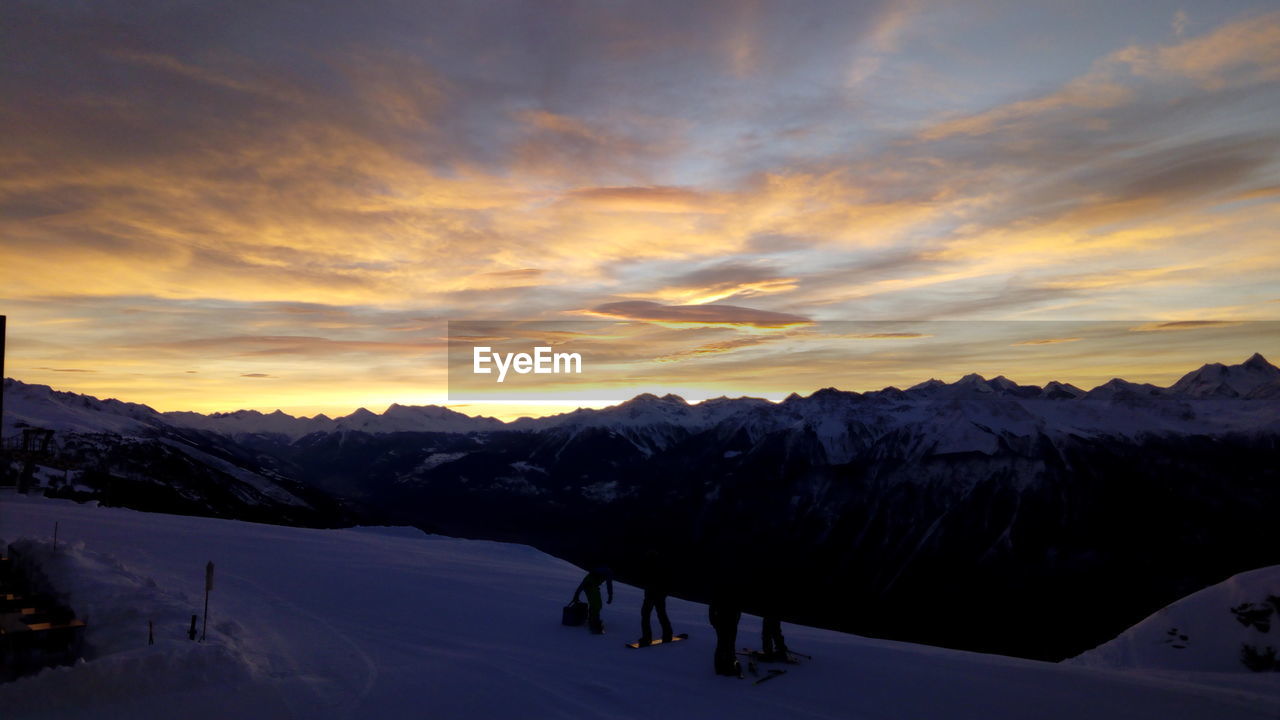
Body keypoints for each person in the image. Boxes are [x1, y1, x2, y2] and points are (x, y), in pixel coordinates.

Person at [637, 550, 674, 645]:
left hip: (652, 593)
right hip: (659, 593)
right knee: (661, 613)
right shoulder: (661, 563)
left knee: (646, 614)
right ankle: (667, 634)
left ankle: (647, 638)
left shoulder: (650, 564)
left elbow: (646, 578)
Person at [708, 576, 742, 676]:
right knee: (725, 644)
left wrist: (713, 620)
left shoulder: (721, 589)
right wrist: (713, 621)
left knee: (726, 644)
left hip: (726, 621)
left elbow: (712, 606)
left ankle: (725, 666)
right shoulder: (724, 590)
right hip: (724, 621)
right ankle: (723, 667)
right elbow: (713, 606)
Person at [572, 566, 614, 634]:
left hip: (592, 586)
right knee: (596, 604)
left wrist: (576, 594)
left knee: (596, 604)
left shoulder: (599, 572)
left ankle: (593, 619)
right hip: (591, 586)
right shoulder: (608, 572)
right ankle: (594, 621)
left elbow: (583, 583)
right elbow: (609, 584)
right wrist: (610, 595)